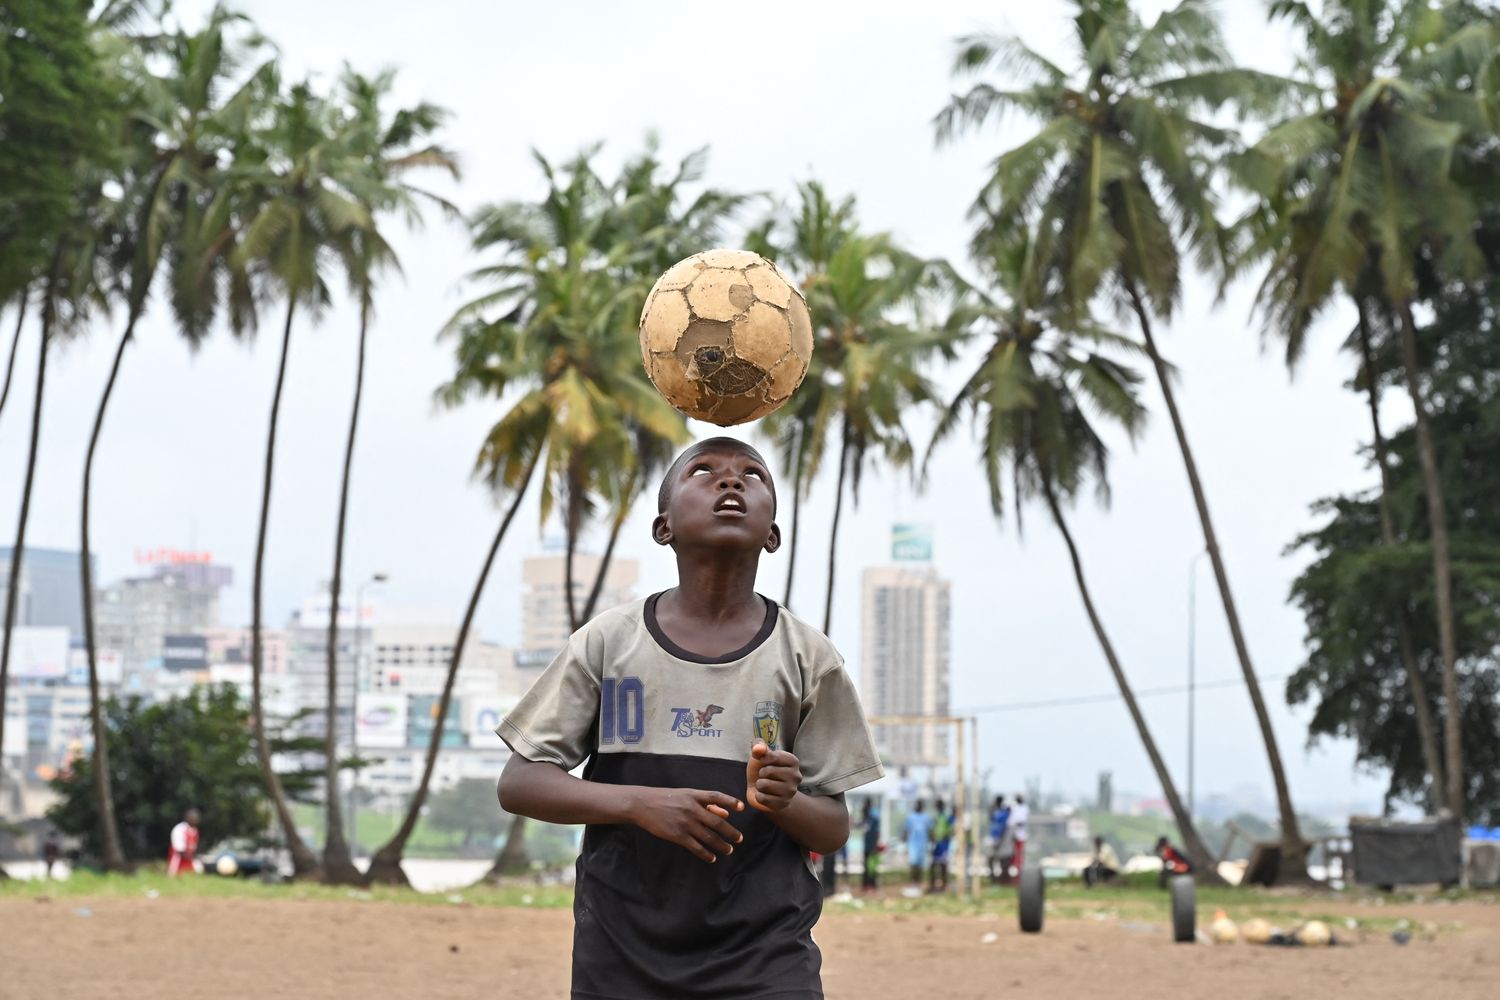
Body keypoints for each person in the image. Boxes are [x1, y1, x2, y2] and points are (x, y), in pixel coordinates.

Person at [497, 438, 884, 1000]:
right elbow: (521, 782)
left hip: (764, 958)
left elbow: (833, 826)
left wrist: (785, 801)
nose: (731, 481)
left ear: (772, 534)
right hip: (621, 952)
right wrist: (639, 803)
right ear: (664, 528)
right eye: (703, 471)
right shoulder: (609, 641)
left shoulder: (808, 658)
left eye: (753, 475)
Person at [904, 799, 934, 886]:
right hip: (913, 844)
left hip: (923, 844)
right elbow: (906, 830)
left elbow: (930, 831)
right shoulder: (910, 817)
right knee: (913, 864)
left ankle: (918, 883)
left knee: (920, 865)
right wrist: (903, 841)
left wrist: (932, 843)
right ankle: (913, 882)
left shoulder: (926, 818)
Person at [929, 798, 954, 892]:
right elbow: (931, 830)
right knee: (933, 865)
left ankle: (944, 886)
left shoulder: (946, 817)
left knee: (943, 865)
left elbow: (949, 831)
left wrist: (944, 839)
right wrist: (932, 841)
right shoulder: (935, 817)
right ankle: (933, 886)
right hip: (936, 845)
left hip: (943, 845)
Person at [168, 808, 201, 876]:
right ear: (187, 818)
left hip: (190, 860)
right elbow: (180, 851)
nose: (196, 820)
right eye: (193, 818)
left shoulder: (195, 830)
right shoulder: (179, 829)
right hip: (178, 862)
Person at [987, 796, 1010, 883]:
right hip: (996, 838)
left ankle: (1001, 879)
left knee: (1000, 860)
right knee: (993, 859)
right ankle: (995, 879)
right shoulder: (1001, 812)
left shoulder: (1002, 813)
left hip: (999, 839)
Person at [860, 800, 882, 893]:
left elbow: (877, 833)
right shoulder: (865, 819)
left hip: (872, 846)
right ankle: (865, 885)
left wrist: (875, 845)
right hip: (866, 846)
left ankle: (873, 885)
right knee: (865, 866)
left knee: (872, 867)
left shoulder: (874, 819)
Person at [1009, 794, 1030, 876]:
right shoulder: (1014, 808)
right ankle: (1014, 867)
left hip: (1021, 835)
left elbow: (1023, 820)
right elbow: (1011, 821)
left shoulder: (1025, 808)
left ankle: (1019, 867)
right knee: (1013, 852)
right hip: (1013, 834)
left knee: (1020, 852)